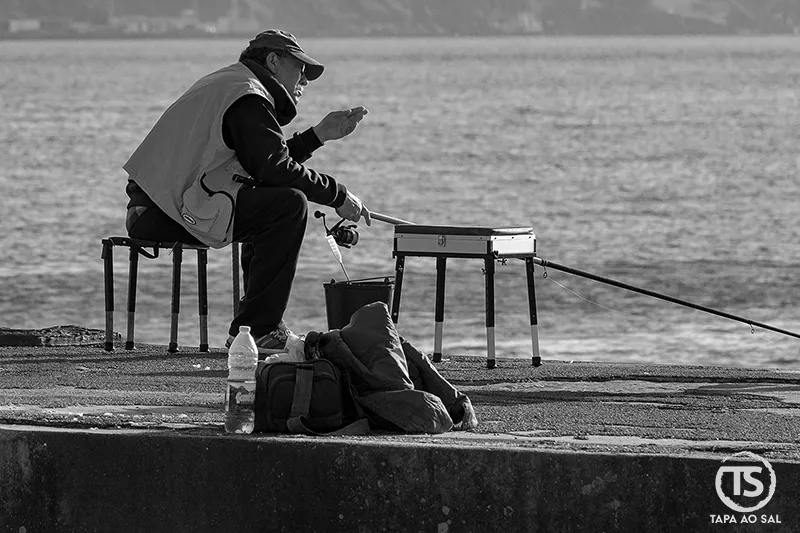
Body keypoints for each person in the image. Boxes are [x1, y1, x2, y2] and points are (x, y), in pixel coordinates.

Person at [123, 29, 371, 353]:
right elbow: (274, 168)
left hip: (156, 207)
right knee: (288, 206)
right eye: (300, 69)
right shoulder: (247, 96)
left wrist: (318, 135)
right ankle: (258, 329)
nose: (305, 81)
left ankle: (253, 328)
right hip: (164, 212)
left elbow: (260, 164)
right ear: (273, 61)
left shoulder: (234, 84)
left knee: (273, 199)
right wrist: (337, 196)